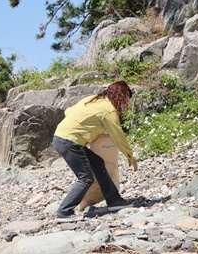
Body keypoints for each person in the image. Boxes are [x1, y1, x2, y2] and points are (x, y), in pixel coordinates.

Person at [53, 81, 138, 219]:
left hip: (62, 137)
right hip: (69, 142)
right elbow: (118, 135)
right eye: (126, 98)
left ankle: (114, 200)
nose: (126, 103)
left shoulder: (93, 100)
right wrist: (130, 156)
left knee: (97, 163)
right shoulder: (109, 110)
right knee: (85, 178)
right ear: (121, 95)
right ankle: (64, 212)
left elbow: (68, 111)